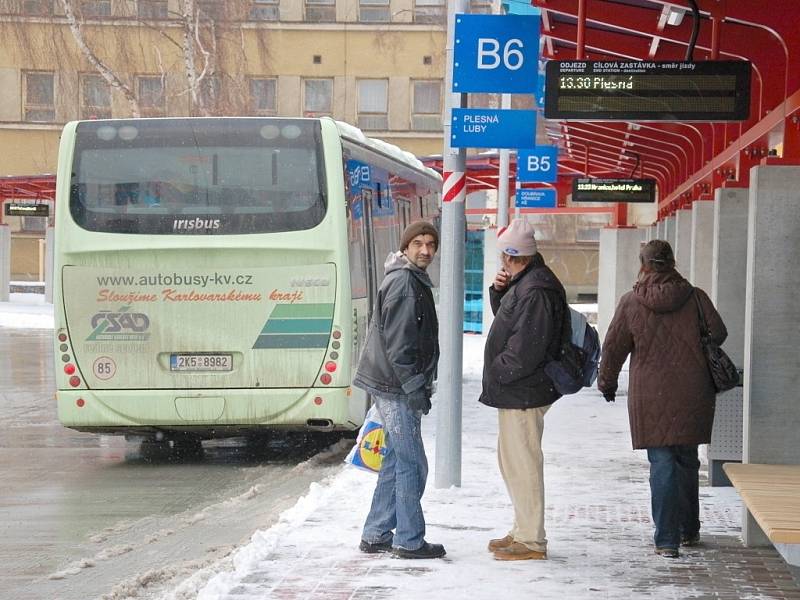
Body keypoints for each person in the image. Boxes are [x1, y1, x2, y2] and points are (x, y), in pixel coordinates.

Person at [598, 239, 728, 559]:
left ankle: (667, 539)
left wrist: (607, 382)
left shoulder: (631, 302)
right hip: (692, 389)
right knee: (686, 458)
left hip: (651, 391)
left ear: (643, 265)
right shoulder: (695, 297)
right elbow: (719, 332)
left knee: (662, 462)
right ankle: (688, 529)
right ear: (672, 263)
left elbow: (614, 348)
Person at [354, 221, 444, 560]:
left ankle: (376, 532)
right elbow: (400, 345)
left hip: (391, 384)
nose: (425, 250)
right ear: (406, 247)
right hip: (395, 387)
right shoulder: (405, 284)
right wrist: (414, 387)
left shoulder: (408, 278)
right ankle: (409, 539)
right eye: (418, 243)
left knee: (396, 460)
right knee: (412, 463)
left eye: (431, 244)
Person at [480, 219, 567, 561]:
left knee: (524, 463)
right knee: (512, 462)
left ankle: (532, 540)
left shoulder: (536, 290)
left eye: (507, 257)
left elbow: (525, 349)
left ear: (517, 256)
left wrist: (496, 371)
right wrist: (500, 291)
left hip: (523, 390)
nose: (504, 263)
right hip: (517, 390)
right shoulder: (527, 282)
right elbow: (509, 321)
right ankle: (522, 529)